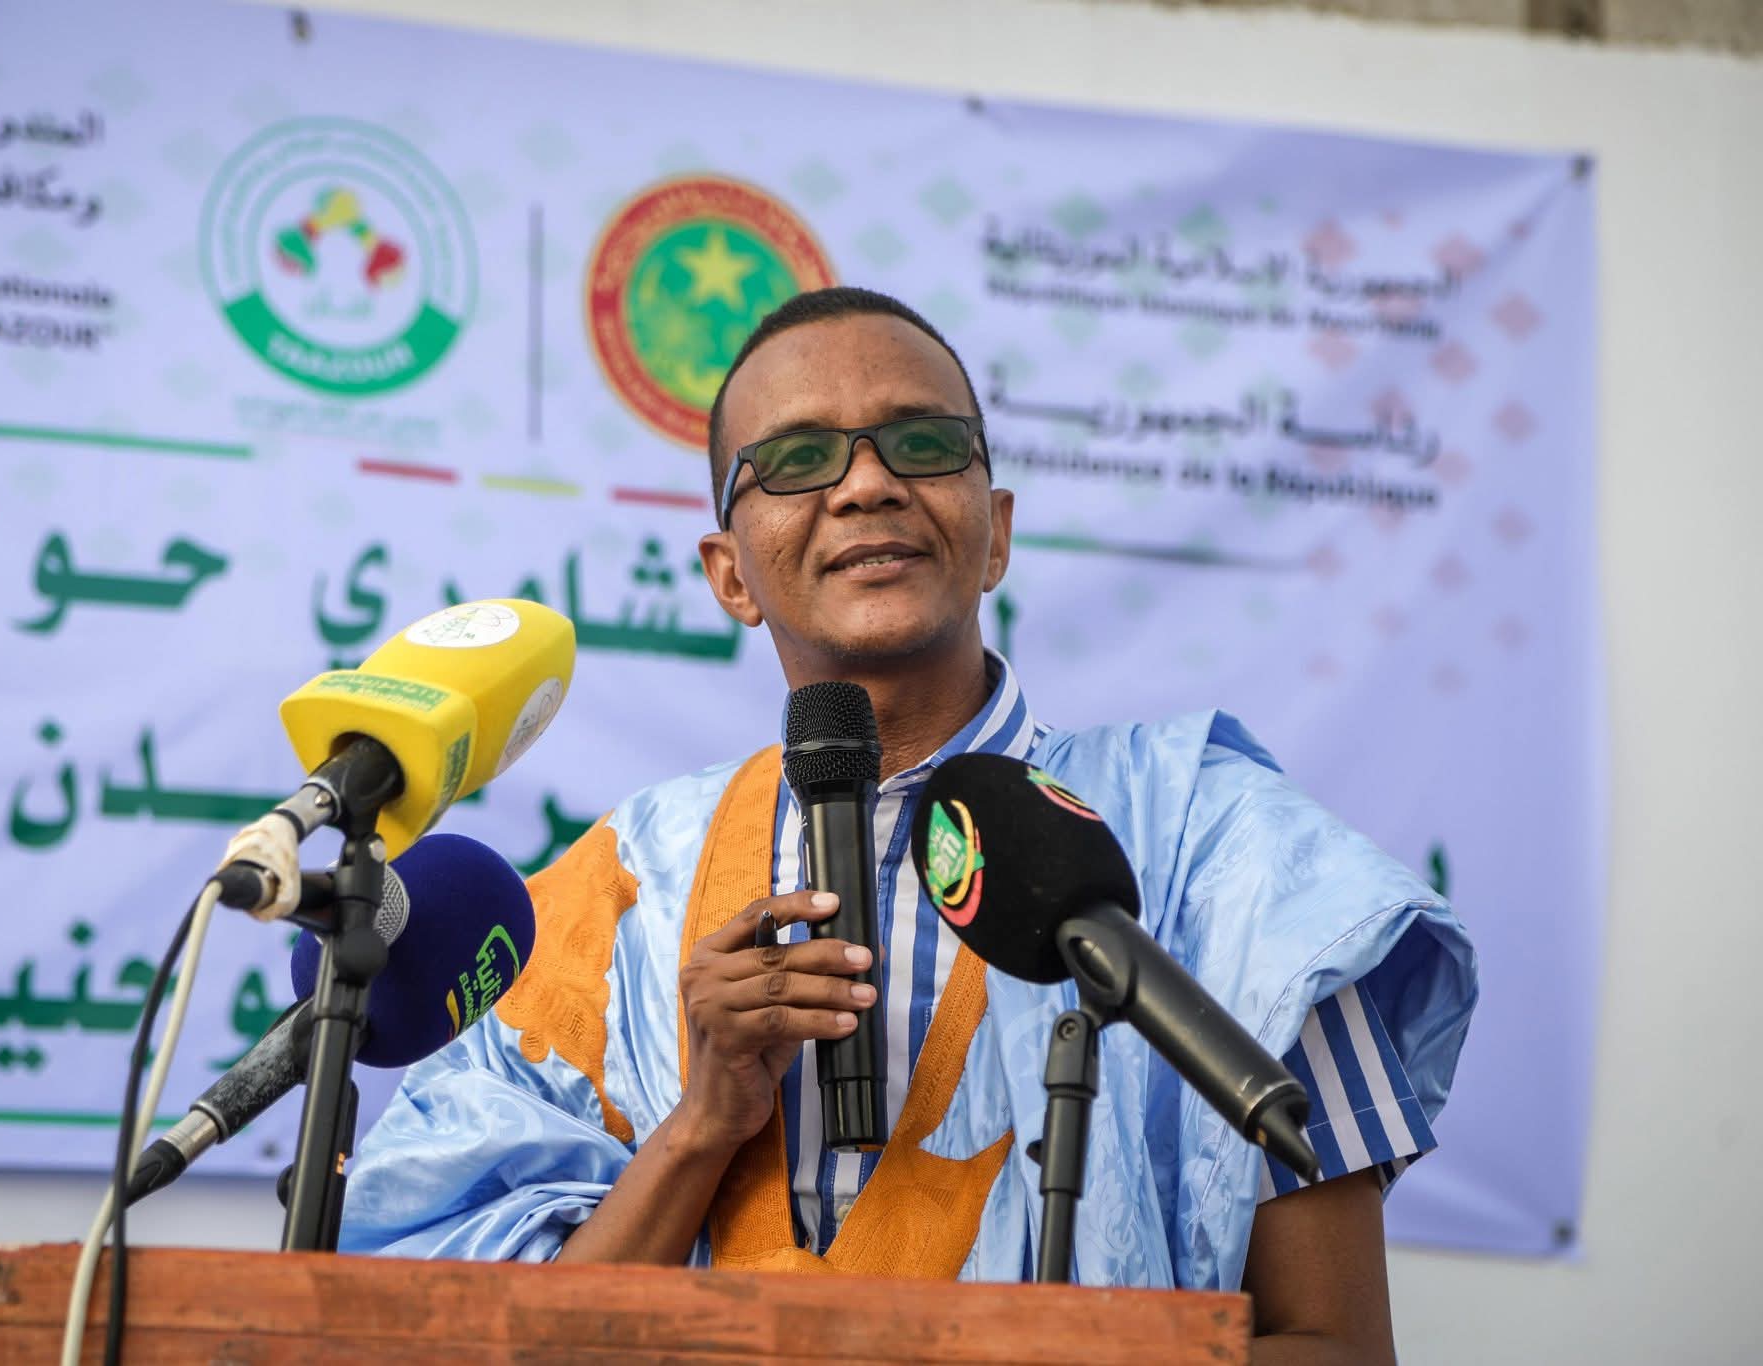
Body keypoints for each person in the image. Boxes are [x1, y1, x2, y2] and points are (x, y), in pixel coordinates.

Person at [342, 287, 1476, 1363]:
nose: (867, 484)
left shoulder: (1218, 851)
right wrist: (702, 1123)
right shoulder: (617, 892)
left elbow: (1337, 1345)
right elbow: (494, 1342)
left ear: (996, 533)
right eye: (797, 460)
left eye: (922, 444)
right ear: (729, 576)